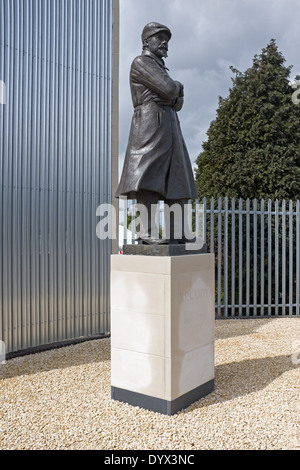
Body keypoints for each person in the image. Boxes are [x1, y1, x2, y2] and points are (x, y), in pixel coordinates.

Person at [116, 22, 198, 244]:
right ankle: (146, 232)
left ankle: (178, 232)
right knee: (148, 178)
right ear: (146, 41)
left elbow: (176, 102)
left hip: (171, 126)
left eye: (167, 40)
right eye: (159, 38)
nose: (164, 43)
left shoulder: (160, 68)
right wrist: (176, 88)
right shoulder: (141, 63)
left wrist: (172, 93)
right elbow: (171, 91)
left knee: (178, 180)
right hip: (150, 126)